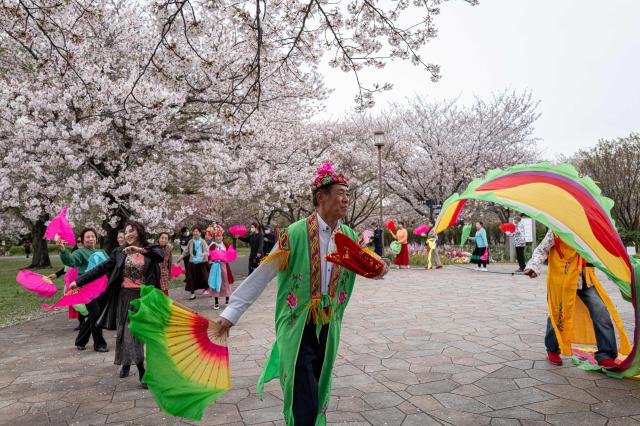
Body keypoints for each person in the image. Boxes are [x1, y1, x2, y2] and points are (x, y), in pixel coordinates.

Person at [214, 162, 388, 426]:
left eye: (348, 194)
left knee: (318, 387)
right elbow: (262, 275)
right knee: (302, 393)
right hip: (298, 325)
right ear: (321, 197)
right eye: (340, 193)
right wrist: (231, 313)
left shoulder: (349, 236)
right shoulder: (294, 234)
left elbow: (369, 266)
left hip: (330, 325)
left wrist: (380, 269)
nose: (346, 200)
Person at [69, 221, 164, 386]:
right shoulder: (119, 251)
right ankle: (141, 371)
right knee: (128, 333)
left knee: (140, 334)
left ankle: (127, 362)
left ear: (139, 232)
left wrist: (139, 250)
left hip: (145, 298)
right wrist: (79, 281)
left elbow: (160, 255)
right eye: (126, 232)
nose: (128, 234)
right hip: (125, 297)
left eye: (131, 231)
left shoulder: (150, 248)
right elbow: (101, 268)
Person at [524, 230, 629, 369]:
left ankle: (606, 355)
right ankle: (552, 349)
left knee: (601, 311)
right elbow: (542, 249)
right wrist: (533, 266)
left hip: (585, 280)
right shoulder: (556, 229)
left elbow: (602, 253)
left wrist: (618, 274)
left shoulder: (587, 227)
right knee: (558, 314)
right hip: (563, 280)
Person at [57, 228, 109, 352]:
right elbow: (71, 261)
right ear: (82, 239)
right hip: (87, 288)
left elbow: (110, 265)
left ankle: (81, 340)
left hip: (101, 287)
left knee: (94, 315)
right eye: (87, 237)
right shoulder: (80, 252)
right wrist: (63, 251)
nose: (91, 239)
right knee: (96, 314)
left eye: (93, 236)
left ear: (96, 238)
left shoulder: (101, 251)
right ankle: (99, 344)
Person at [176, 227, 210, 300]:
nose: (195, 233)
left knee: (205, 277)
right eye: (194, 231)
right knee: (191, 278)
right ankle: (192, 293)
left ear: (200, 233)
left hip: (202, 262)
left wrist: (201, 254)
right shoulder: (191, 241)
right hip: (192, 262)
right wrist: (180, 257)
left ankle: (209, 289)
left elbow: (207, 251)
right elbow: (186, 251)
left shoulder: (203, 241)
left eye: (197, 231)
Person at [208, 225, 234, 310]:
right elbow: (209, 257)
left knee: (225, 282)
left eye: (220, 236)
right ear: (214, 238)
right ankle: (216, 302)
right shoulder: (212, 246)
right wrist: (213, 259)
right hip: (215, 266)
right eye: (217, 236)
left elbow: (230, 255)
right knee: (216, 283)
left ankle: (227, 299)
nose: (218, 238)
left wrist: (226, 258)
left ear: (222, 237)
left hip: (224, 266)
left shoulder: (226, 245)